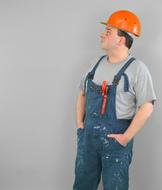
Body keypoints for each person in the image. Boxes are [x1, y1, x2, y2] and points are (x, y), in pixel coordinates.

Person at [73, 10, 157, 190]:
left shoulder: (137, 69)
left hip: (116, 141)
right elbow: (82, 93)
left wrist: (126, 138)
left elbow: (147, 106)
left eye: (108, 31)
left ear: (121, 39)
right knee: (82, 186)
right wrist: (80, 124)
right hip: (87, 139)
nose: (102, 34)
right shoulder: (95, 63)